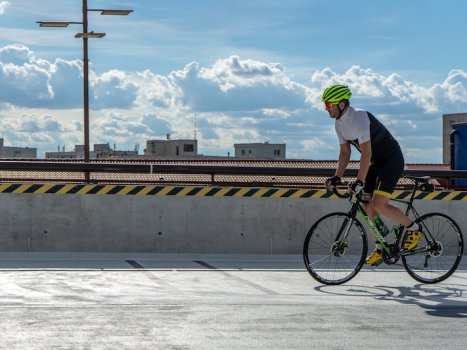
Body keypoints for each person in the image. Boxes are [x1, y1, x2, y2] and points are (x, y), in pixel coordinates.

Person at [322, 84, 422, 266]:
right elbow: (345, 153)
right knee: (367, 206)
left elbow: (366, 153)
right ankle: (381, 245)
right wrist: (337, 177)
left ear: (342, 104)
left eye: (329, 104)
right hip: (375, 163)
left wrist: (359, 181)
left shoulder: (359, 116)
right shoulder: (339, 125)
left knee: (379, 204)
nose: (326, 108)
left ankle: (414, 228)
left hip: (391, 159)